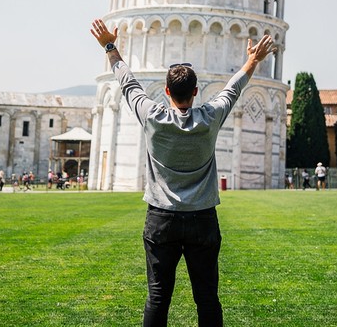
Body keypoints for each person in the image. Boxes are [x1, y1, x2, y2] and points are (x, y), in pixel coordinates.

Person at [90, 17, 275, 327]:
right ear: (196, 91)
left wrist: (109, 46)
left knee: (158, 297)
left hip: (161, 219)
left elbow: (127, 82)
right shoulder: (211, 117)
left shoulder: (152, 116)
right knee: (207, 297)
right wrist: (253, 60)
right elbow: (233, 88)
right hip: (202, 218)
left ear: (166, 91)